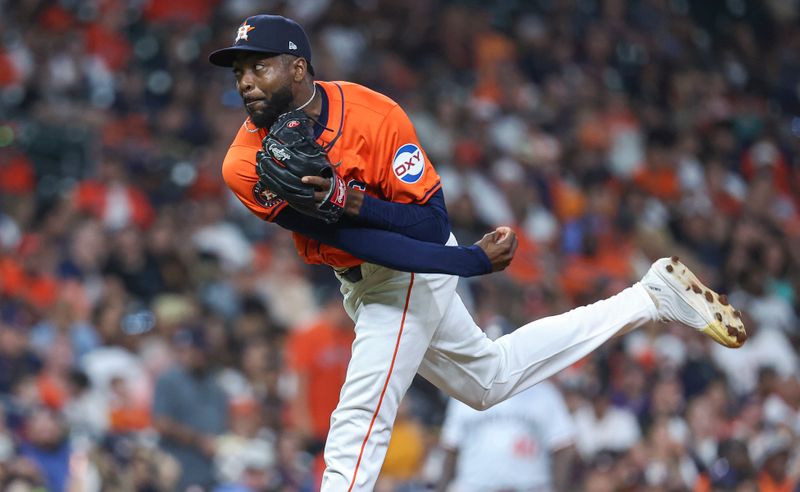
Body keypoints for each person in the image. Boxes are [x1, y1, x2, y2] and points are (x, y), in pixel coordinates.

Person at [208, 14, 746, 491]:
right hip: (366, 271)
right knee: (489, 381)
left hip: (413, 263)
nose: (246, 82)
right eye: (239, 72)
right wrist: (463, 261)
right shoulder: (242, 163)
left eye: (259, 67)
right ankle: (648, 299)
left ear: (298, 67)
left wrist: (359, 204)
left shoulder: (373, 114)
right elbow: (347, 239)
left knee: (362, 409)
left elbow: (430, 222)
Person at [438, 380, 577, 492]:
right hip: (475, 486)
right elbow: (451, 447)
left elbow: (563, 447)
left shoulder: (544, 392)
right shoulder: (466, 392)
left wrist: (558, 488)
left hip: (530, 487)